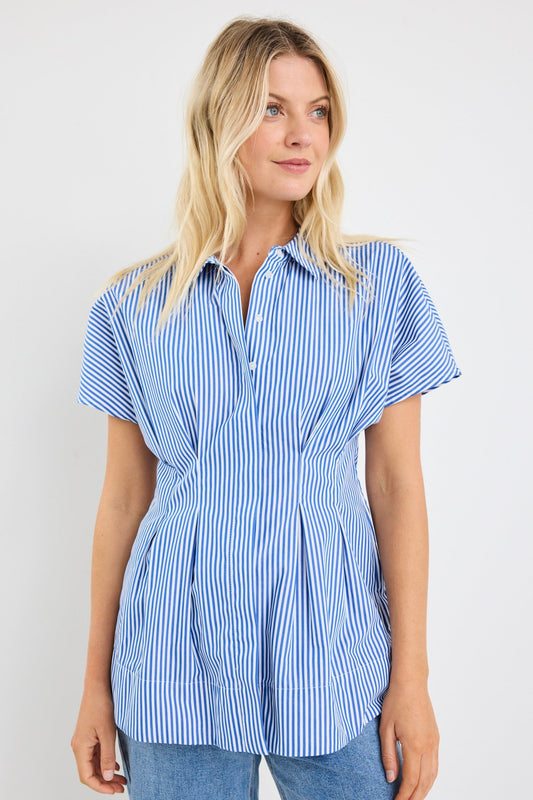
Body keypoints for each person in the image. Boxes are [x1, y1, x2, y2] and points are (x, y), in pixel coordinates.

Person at [70, 15, 461, 800]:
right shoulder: (130, 306)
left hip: (336, 658)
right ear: (219, 120)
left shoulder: (378, 287)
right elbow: (122, 501)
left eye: (317, 111)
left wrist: (411, 680)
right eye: (271, 108)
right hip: (170, 664)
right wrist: (95, 685)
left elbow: (394, 488)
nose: (301, 135)